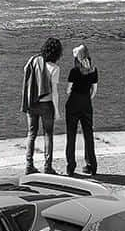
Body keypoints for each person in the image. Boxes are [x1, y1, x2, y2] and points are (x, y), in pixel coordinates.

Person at [21, 37, 63, 174]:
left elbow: (26, 71)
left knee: (31, 134)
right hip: (47, 105)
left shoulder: (34, 60)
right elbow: (55, 92)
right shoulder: (55, 68)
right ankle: (48, 166)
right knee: (48, 135)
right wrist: (57, 111)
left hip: (32, 102)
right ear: (57, 53)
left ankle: (29, 165)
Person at [65, 43, 99, 176]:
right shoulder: (94, 70)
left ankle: (71, 167)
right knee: (88, 135)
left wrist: (73, 94)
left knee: (71, 135)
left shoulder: (74, 71)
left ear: (77, 57)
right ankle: (91, 165)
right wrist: (87, 98)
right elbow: (94, 90)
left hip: (73, 102)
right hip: (86, 103)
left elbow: (68, 89)